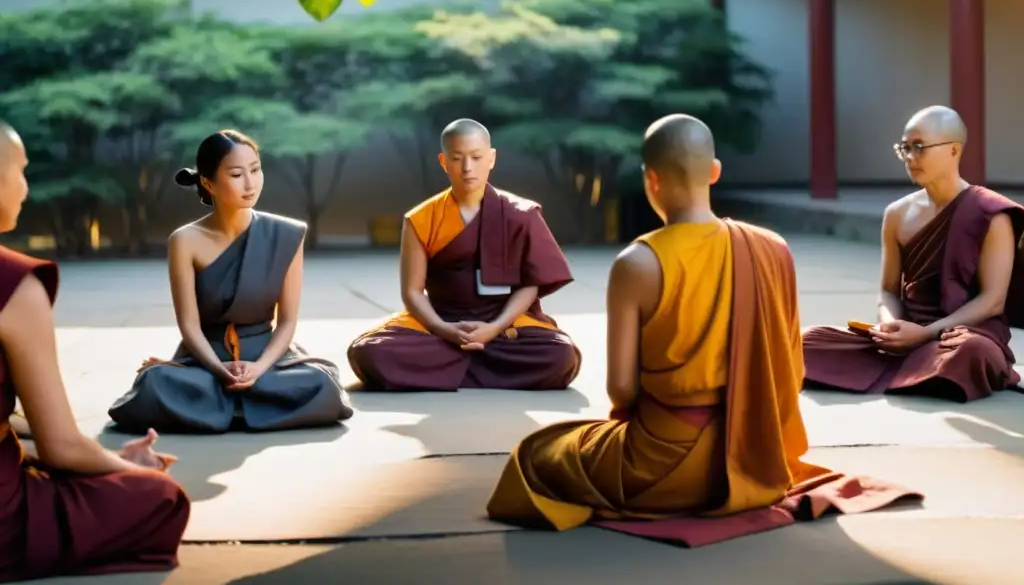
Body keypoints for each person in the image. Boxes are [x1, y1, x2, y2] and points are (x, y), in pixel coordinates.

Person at [486, 114, 914, 543]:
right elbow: (791, 370)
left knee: (537, 456)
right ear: (714, 171)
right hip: (760, 459)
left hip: (660, 467)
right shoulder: (772, 249)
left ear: (650, 178)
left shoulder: (637, 263)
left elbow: (621, 391)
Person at [0, 121, 190, 581]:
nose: (26, 187)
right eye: (20, 170)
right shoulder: (14, 284)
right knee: (162, 499)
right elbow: (61, 447)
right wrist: (129, 468)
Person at [108, 130, 353, 434]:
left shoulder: (287, 234)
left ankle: (220, 405)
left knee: (322, 383)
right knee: (155, 384)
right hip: (204, 363)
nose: (250, 183)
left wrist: (259, 368)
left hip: (269, 361)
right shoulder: (185, 240)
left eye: (255, 169)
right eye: (237, 174)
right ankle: (251, 403)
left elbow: (287, 323)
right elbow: (189, 326)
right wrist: (219, 369)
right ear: (208, 183)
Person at [802, 106, 1023, 402]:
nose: (909, 158)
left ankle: (916, 368)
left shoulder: (991, 214)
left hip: (958, 336)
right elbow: (888, 289)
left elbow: (993, 301)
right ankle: (918, 373)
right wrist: (888, 327)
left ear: (953, 150)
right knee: (807, 340)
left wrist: (927, 333)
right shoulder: (897, 214)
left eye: (919, 147)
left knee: (972, 353)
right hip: (906, 335)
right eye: (904, 148)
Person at [347, 119, 580, 391]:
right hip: (439, 321)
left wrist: (493, 328)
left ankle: (444, 371)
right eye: (457, 159)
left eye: (477, 157)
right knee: (370, 353)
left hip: (505, 323)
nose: (468, 168)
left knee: (561, 357)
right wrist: (443, 329)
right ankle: (485, 370)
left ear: (491, 158)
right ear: (443, 161)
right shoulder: (421, 218)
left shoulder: (521, 214)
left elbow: (531, 284)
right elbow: (412, 292)